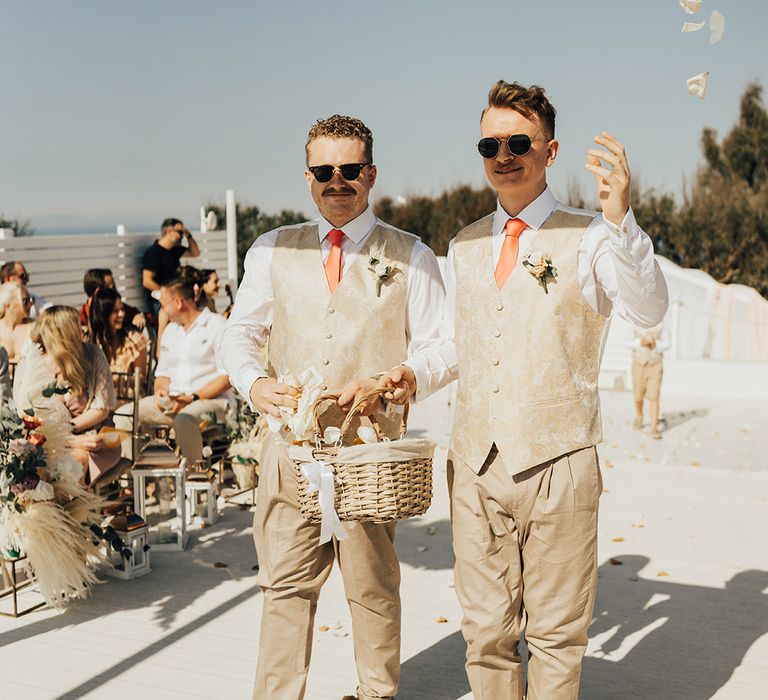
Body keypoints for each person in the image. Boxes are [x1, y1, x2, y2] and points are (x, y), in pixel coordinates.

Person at [377, 81, 669, 700]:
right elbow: (463, 342)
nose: (502, 154)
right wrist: (414, 376)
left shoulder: (592, 236)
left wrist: (620, 220)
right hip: (475, 464)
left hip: (559, 462)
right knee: (484, 635)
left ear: (550, 150)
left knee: (558, 639)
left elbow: (647, 310)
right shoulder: (464, 244)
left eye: (518, 142)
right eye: (490, 143)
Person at [221, 114, 446, 700]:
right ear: (308, 177)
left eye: (349, 170)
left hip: (369, 460)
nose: (337, 181)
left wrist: (403, 376)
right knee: (284, 591)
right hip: (289, 455)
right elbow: (238, 334)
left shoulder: (412, 255)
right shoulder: (271, 249)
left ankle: (377, 695)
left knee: (372, 592)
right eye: (325, 171)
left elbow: (443, 346)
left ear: (371, 174)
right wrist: (252, 383)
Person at [117, 272, 232, 465]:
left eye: (163, 304)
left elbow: (227, 377)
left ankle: (195, 477)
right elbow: (162, 374)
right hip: (174, 402)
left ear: (178, 302)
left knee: (185, 419)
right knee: (125, 415)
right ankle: (142, 475)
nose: (162, 310)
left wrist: (194, 397)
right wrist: (160, 392)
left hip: (211, 402)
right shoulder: (170, 331)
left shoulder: (217, 325)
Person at [21, 306, 121, 485]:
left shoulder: (92, 355)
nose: (82, 330)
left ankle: (76, 511)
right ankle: (55, 511)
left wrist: (70, 430)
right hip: (49, 440)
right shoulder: (38, 363)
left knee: (73, 462)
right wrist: (67, 438)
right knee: (40, 465)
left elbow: (102, 409)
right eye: (76, 326)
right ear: (64, 333)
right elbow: (31, 416)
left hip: (94, 437)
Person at [87, 287, 149, 392]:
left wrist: (116, 381)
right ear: (103, 314)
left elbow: (141, 379)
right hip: (99, 397)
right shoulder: (90, 342)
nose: (121, 314)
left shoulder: (134, 339)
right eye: (115, 311)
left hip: (127, 397)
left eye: (122, 309)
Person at [141, 218, 200, 315]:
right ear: (169, 231)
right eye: (180, 232)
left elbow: (195, 253)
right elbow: (147, 281)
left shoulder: (175, 250)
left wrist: (188, 234)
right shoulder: (153, 253)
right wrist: (167, 294)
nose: (182, 236)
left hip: (175, 297)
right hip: (161, 301)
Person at [629, 322, 669, 439]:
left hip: (655, 364)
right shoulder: (633, 321)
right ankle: (639, 416)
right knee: (638, 395)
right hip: (639, 363)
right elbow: (627, 342)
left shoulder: (662, 323)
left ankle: (654, 427)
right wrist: (640, 343)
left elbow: (667, 343)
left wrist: (656, 344)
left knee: (654, 396)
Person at [79, 268, 145, 330]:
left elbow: (148, 317)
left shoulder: (120, 308)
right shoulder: (81, 320)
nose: (115, 292)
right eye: (112, 288)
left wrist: (138, 316)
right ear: (98, 292)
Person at [0, 281, 33, 360]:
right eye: (25, 301)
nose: (30, 303)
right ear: (8, 305)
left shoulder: (35, 327)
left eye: (32, 299)